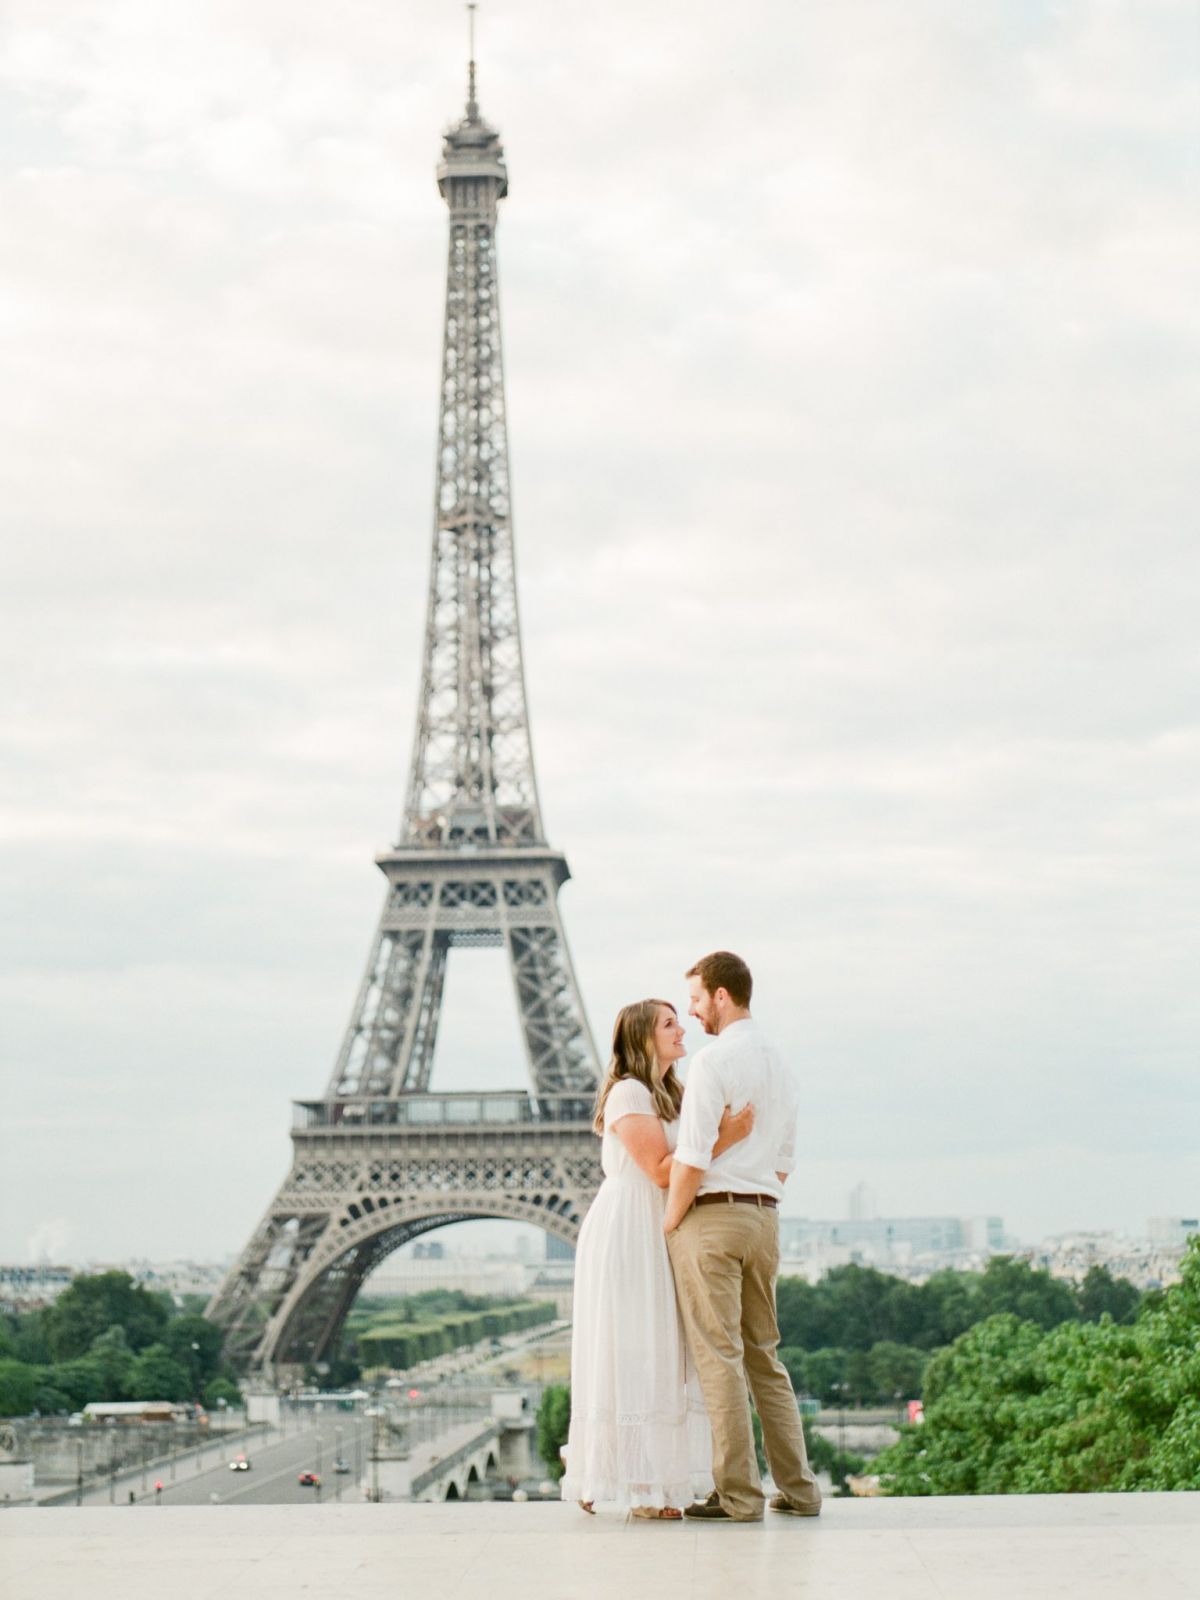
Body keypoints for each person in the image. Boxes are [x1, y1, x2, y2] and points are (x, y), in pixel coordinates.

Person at [560, 998, 754, 1518]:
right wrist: (726, 1135)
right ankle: (638, 1487)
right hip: (630, 1228)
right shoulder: (628, 1091)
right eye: (669, 1023)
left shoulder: (670, 1092)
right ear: (644, 1037)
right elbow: (664, 1170)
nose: (681, 1027)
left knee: (660, 1351)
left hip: (661, 1225)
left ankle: (645, 1479)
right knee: (635, 1348)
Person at [664, 950, 822, 1522]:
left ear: (721, 996)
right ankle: (801, 1490)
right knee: (765, 1358)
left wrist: (670, 1220)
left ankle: (739, 1495)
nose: (692, 1011)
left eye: (697, 999)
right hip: (765, 1218)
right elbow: (784, 1161)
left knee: (720, 1360)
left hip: (713, 1217)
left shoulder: (711, 1063)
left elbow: (692, 1154)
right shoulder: (781, 1063)